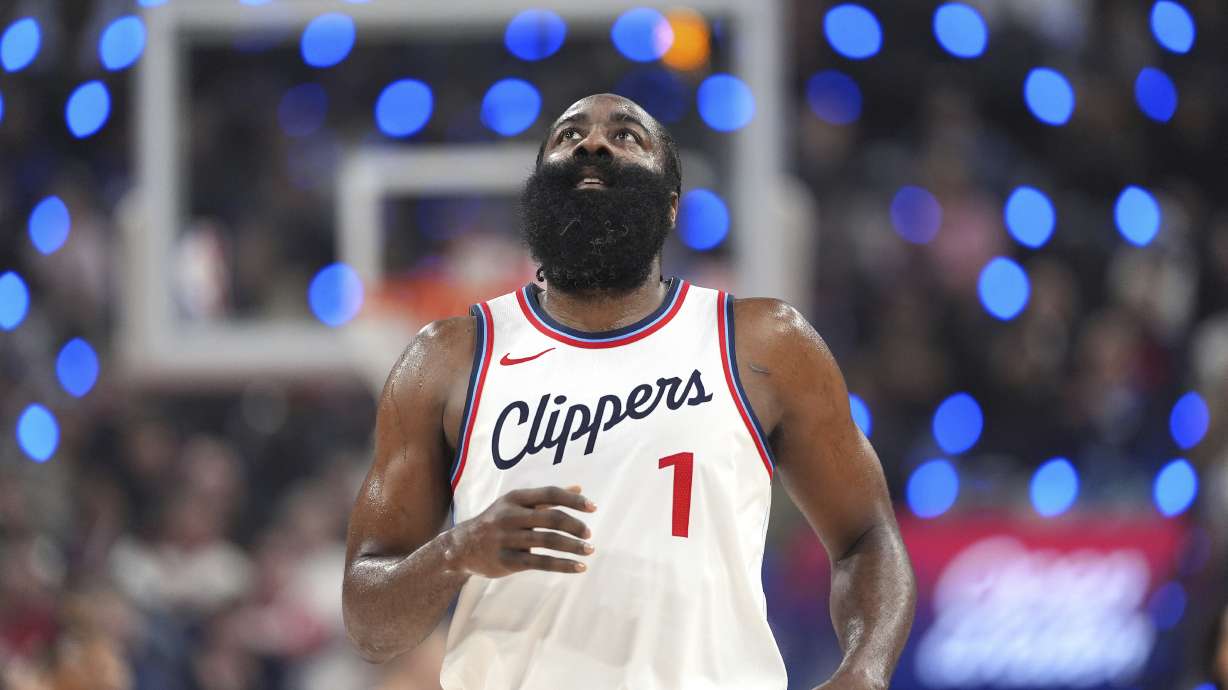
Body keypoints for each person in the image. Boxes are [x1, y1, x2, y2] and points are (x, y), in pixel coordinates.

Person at [342, 93, 916, 689]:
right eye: (568, 136)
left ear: (670, 208)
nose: (592, 143)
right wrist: (459, 549)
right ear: (537, 194)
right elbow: (368, 624)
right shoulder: (448, 357)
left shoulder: (763, 342)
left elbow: (868, 534)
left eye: (626, 136)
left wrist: (866, 670)